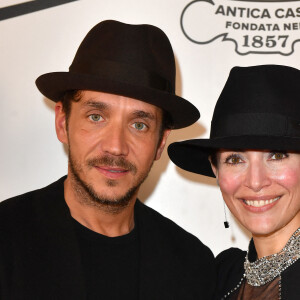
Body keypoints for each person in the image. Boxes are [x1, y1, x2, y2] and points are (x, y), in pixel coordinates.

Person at [0, 20, 216, 299]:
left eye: (139, 125)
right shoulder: (6, 239)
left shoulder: (193, 265)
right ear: (62, 122)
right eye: (96, 117)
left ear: (161, 142)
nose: (116, 147)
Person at [168, 64, 300, 300]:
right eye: (235, 159)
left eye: (277, 155)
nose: (256, 181)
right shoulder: (219, 277)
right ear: (215, 169)